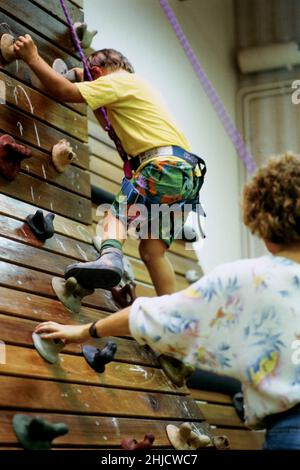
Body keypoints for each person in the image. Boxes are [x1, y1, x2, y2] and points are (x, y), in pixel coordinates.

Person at [35, 153, 300, 450]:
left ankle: (111, 253)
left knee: (119, 217)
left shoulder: (249, 279)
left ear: (263, 219)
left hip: (291, 428)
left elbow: (159, 316)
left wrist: (84, 331)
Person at [14, 34, 205, 295]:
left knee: (117, 216)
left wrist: (32, 57)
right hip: (186, 176)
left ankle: (110, 257)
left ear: (97, 72)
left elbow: (64, 91)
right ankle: (170, 308)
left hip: (161, 166)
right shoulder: (137, 88)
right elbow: (107, 122)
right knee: (152, 251)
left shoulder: (115, 82)